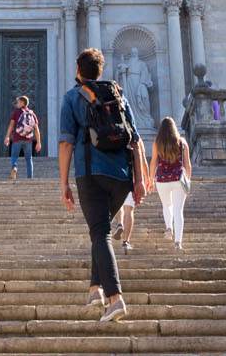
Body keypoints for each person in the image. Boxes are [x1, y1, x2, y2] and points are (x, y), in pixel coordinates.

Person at [58, 47, 147, 324]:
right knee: (102, 231)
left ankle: (115, 297)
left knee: (100, 234)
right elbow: (136, 139)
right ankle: (94, 290)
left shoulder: (72, 97)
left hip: (91, 174)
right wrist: (141, 179)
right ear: (101, 70)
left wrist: (63, 183)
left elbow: (66, 143)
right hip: (122, 176)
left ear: (77, 70)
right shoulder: (118, 94)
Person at [152, 116, 192, 249]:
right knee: (178, 210)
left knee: (166, 204)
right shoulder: (182, 142)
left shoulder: (157, 142)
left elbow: (153, 162)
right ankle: (178, 242)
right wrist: (189, 180)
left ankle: (169, 227)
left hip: (162, 179)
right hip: (178, 178)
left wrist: (150, 179)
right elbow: (188, 164)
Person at [5, 94, 41, 179]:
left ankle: (14, 167)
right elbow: (36, 129)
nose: (17, 104)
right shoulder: (32, 114)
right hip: (28, 140)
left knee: (14, 156)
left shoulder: (16, 112)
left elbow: (11, 125)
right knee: (29, 159)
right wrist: (38, 142)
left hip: (17, 139)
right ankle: (30, 177)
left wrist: (7, 136)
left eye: (18, 102)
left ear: (22, 103)